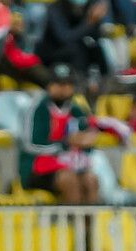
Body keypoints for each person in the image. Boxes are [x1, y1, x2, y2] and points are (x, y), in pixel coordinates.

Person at [19, 64, 99, 205]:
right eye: (58, 83)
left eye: (67, 84)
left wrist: (87, 142)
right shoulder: (37, 108)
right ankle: (71, 225)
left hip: (71, 164)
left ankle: (89, 226)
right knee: (69, 180)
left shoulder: (77, 110)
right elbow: (29, 144)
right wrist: (64, 144)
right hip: (39, 168)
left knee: (91, 180)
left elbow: (87, 139)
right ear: (49, 85)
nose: (62, 88)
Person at [37, 0, 110, 75]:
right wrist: (90, 22)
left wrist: (97, 19)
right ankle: (79, 80)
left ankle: (105, 78)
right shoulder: (55, 9)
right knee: (76, 49)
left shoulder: (88, 7)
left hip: (76, 47)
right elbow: (65, 37)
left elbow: (94, 36)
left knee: (97, 47)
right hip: (53, 52)